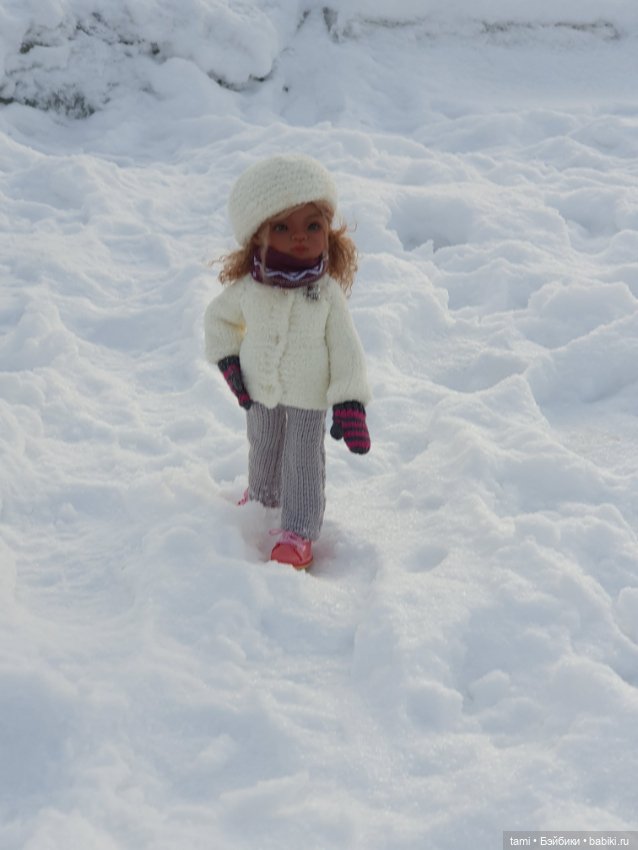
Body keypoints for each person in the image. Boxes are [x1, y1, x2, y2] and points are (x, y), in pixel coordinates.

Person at [204, 153, 371, 569]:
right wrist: (229, 362)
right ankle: (261, 500)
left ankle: (298, 528)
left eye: (312, 225)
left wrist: (349, 401)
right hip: (258, 389)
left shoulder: (325, 293)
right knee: (262, 446)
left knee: (301, 460)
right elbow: (219, 319)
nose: (300, 237)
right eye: (282, 227)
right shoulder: (250, 288)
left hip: (309, 396)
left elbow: (346, 347)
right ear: (258, 234)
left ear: (329, 230)